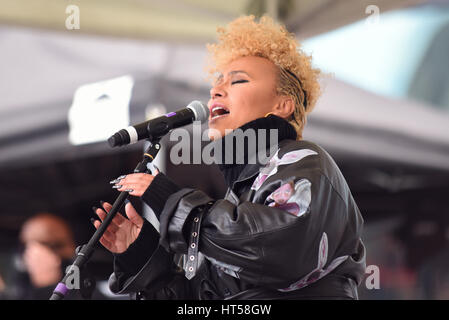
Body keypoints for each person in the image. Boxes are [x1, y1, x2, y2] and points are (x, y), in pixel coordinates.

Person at [93, 15, 366, 299]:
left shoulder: (307, 161)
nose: (215, 90)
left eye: (238, 81)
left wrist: (176, 205)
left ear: (282, 105)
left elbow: (279, 250)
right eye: (217, 82)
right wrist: (142, 258)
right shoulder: (235, 198)